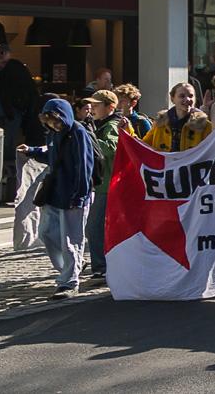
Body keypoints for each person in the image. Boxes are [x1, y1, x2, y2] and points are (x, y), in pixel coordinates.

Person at [18, 98, 95, 298]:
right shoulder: (54, 133)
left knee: (71, 239)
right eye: (49, 121)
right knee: (46, 233)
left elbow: (84, 167)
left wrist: (80, 195)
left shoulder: (77, 133)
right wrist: (32, 151)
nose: (53, 124)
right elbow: (53, 156)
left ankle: (69, 281)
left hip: (73, 194)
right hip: (56, 193)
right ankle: (71, 268)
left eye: (55, 120)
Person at [82, 90, 130, 278]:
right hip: (102, 183)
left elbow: (110, 148)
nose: (92, 109)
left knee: (94, 227)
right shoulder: (100, 124)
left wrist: (89, 138)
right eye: (91, 105)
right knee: (98, 227)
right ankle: (104, 264)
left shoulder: (111, 125)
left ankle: (101, 267)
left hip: (108, 184)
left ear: (110, 107)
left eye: (96, 105)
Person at [142, 82, 213, 152]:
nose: (187, 99)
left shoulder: (204, 125)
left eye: (191, 96)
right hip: (165, 160)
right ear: (172, 99)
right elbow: (144, 145)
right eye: (182, 96)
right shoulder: (160, 122)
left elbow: (211, 150)